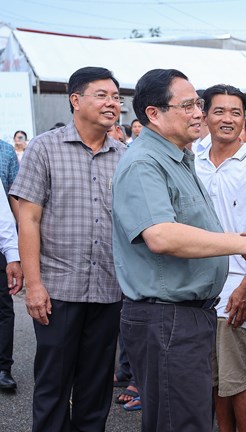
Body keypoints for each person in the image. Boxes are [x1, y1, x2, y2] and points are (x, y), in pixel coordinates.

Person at [111, 68, 246, 432]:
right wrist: (244, 243)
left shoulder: (179, 158)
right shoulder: (144, 163)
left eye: (198, 104)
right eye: (188, 106)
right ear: (153, 114)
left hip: (186, 316)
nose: (199, 113)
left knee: (187, 417)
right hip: (167, 317)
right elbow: (162, 236)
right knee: (180, 421)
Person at [10, 66, 126, 431]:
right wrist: (34, 285)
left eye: (116, 97)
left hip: (108, 289)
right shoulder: (44, 148)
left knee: (96, 387)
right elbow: (28, 219)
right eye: (102, 95)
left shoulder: (125, 156)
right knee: (53, 385)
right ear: (75, 100)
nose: (112, 103)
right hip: (58, 289)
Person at [195, 83, 246, 432]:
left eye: (235, 112)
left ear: (245, 119)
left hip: (241, 285)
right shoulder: (193, 160)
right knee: (216, 378)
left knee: (235, 378)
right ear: (205, 115)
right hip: (202, 285)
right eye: (219, 111)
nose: (227, 119)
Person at [0, 144, 21, 390]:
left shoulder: (5, 151)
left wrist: (14, 255)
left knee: (3, 309)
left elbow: (5, 212)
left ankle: (3, 367)